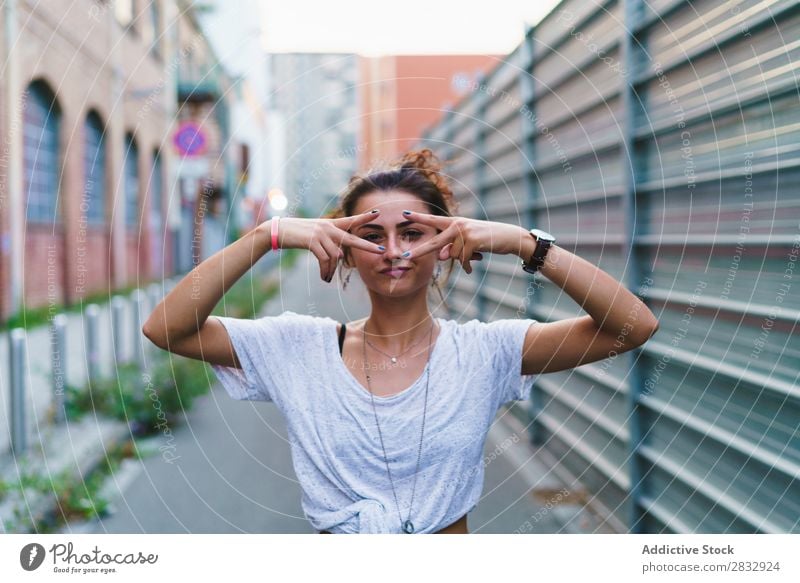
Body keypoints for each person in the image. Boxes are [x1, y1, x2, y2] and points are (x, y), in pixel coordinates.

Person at [142, 148, 659, 534]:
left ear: (445, 245)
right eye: (372, 236)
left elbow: (631, 326)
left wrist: (524, 243)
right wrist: (264, 237)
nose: (393, 251)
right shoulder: (298, 348)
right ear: (343, 249)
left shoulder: (486, 353)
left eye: (412, 234)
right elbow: (166, 328)